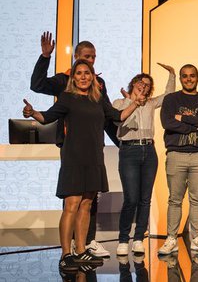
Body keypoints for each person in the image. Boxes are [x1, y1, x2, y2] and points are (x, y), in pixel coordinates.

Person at [23, 59, 140, 271]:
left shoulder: (98, 99)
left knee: (86, 204)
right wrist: (33, 113)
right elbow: (47, 117)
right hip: (74, 158)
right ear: (74, 77)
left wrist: (135, 103)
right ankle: (65, 254)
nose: (83, 77)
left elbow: (118, 116)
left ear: (93, 76)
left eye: (87, 73)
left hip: (94, 158)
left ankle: (80, 251)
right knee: (72, 205)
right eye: (79, 73)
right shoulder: (68, 98)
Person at [31, 32, 117, 257]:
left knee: (90, 199)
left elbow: (106, 115)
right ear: (77, 57)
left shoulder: (98, 84)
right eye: (87, 56)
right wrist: (45, 57)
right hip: (72, 146)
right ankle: (67, 247)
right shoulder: (64, 81)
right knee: (72, 198)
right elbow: (37, 85)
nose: (91, 60)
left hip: (93, 146)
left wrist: (119, 142)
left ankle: (87, 242)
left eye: (94, 57)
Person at [113, 64, 176, 256]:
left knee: (145, 199)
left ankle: (139, 238)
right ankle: (123, 239)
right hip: (129, 151)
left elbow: (168, 96)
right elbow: (117, 120)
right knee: (131, 198)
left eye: (148, 85)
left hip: (149, 151)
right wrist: (131, 101)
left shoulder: (151, 103)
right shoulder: (119, 102)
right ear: (134, 83)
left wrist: (172, 74)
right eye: (141, 83)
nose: (144, 86)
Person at [158, 64, 198, 255]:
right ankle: (171, 238)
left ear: (197, 78)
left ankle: (196, 238)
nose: (189, 79)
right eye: (185, 76)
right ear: (181, 78)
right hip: (176, 154)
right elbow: (167, 122)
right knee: (175, 199)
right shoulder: (171, 99)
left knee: (196, 199)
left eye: (192, 76)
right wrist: (196, 123)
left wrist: (182, 118)